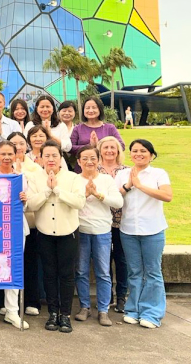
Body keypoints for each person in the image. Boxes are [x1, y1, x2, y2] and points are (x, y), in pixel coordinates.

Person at [26, 141, 86, 333]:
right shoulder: (35, 178)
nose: (51, 159)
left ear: (61, 158)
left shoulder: (73, 177)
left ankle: (65, 314)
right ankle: (52, 313)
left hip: (68, 232)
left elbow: (79, 202)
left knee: (67, 275)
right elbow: (30, 205)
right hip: (44, 232)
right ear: (40, 158)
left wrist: (57, 190)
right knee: (49, 274)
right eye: (47, 155)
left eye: (54, 155)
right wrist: (47, 190)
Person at [116, 139, 173, 329]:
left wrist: (140, 186)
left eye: (143, 151)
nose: (138, 154)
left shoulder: (158, 173)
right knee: (134, 272)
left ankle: (152, 313)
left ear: (151, 154)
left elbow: (167, 196)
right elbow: (115, 199)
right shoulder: (122, 174)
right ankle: (133, 309)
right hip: (128, 230)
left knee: (153, 271)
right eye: (135, 151)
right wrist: (128, 185)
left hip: (152, 230)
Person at [0, 140, 30, 330]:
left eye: (11, 154)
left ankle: (12, 311)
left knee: (14, 268)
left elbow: (24, 205)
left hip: (15, 228)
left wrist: (24, 200)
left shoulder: (20, 177)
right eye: (3, 154)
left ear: (16, 155)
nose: (7, 157)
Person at [74, 145, 123, 327]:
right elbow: (71, 203)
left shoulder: (106, 180)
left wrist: (98, 195)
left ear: (98, 160)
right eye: (85, 158)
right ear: (79, 162)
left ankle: (103, 310)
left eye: (93, 158)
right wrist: (85, 195)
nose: (89, 162)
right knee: (81, 271)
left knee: (103, 272)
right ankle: (84, 306)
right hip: (81, 230)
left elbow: (118, 202)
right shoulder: (74, 180)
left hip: (102, 232)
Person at [7, 131, 43, 316]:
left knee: (29, 263)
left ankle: (31, 301)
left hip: (29, 222)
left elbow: (38, 191)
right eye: (13, 144)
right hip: (4, 224)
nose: (18, 147)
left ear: (27, 145)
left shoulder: (35, 167)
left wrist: (21, 174)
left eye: (21, 143)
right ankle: (5, 303)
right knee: (5, 264)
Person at [97, 136, 129, 313]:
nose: (109, 151)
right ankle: (106, 296)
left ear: (118, 151)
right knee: (104, 261)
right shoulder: (94, 169)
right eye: (106, 147)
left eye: (113, 147)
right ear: (99, 150)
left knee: (121, 259)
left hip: (122, 220)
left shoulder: (126, 171)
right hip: (101, 220)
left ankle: (121, 297)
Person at [70, 96, 125, 164]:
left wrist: (99, 145)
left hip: (106, 165)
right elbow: (71, 148)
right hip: (84, 166)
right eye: (87, 108)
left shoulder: (110, 128)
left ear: (100, 109)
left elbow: (121, 146)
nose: (90, 111)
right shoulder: (78, 128)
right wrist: (90, 146)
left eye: (94, 107)